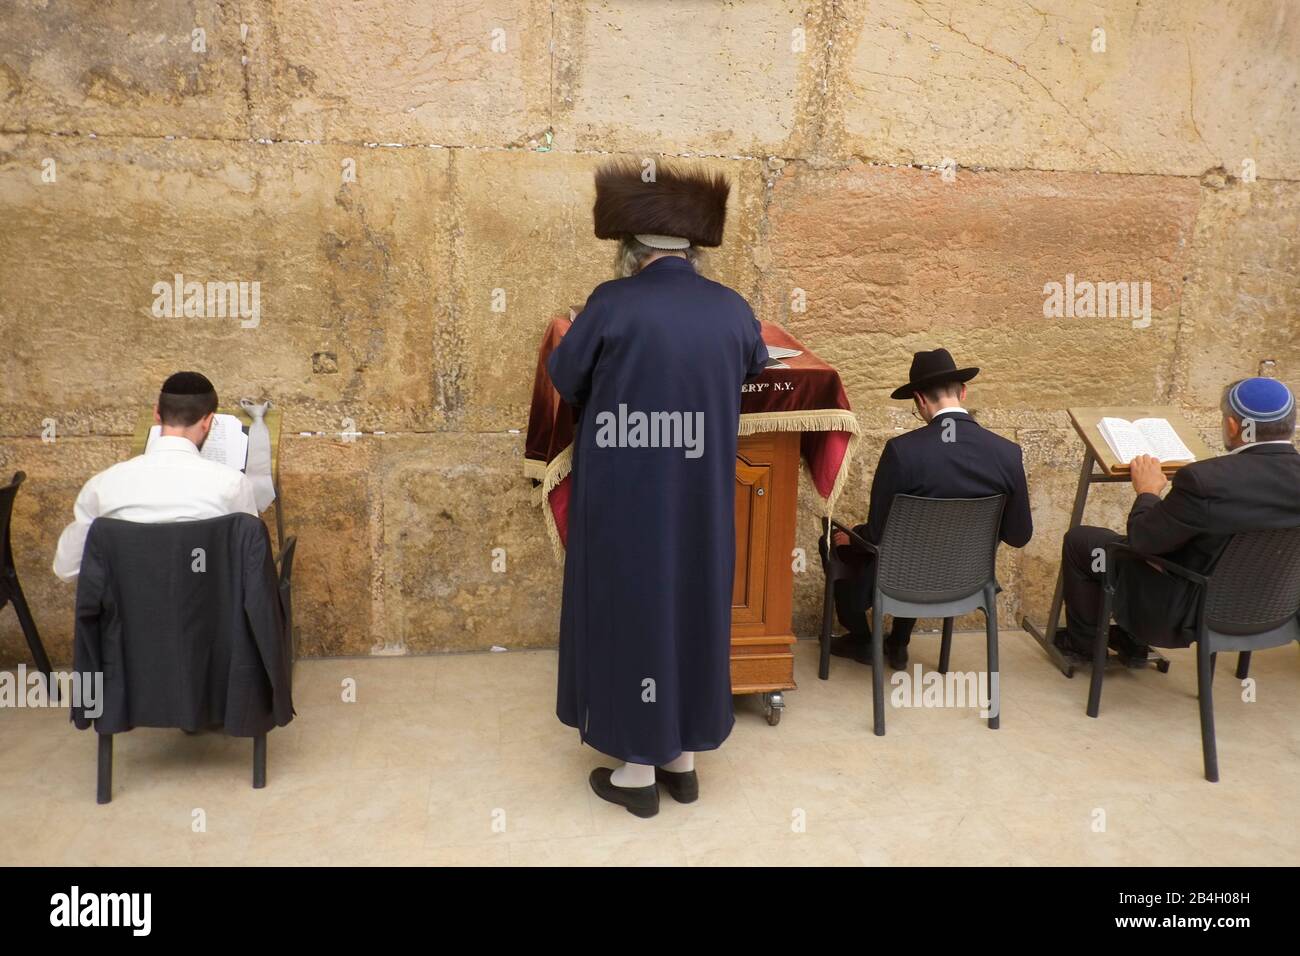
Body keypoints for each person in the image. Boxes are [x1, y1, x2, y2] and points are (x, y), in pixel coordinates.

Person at [547, 161, 768, 818]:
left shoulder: (612, 302)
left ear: (630, 251)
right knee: (692, 604)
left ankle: (638, 774)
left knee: (630, 610)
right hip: (702, 495)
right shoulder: (733, 308)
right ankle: (684, 760)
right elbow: (752, 365)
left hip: (625, 493)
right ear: (692, 251)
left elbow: (566, 376)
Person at [1060, 377, 1300, 658]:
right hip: (1275, 608)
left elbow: (1143, 541)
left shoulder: (1206, 480)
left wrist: (1147, 492)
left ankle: (1088, 646)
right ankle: (1128, 641)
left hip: (1186, 611)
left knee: (1083, 542)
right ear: (1291, 426)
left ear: (1234, 426)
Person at [823, 348, 1032, 668]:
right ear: (963, 392)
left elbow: (877, 535)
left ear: (919, 400)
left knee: (836, 543)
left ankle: (864, 639)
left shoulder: (902, 452)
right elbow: (1019, 535)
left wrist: (852, 537)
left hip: (898, 580)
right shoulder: (1007, 453)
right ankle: (898, 641)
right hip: (968, 582)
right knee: (923, 552)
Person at [53, 371, 259, 582]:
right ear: (208, 421)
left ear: (157, 414)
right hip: (205, 613)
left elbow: (66, 569)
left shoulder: (101, 487)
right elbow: (249, 567)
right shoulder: (232, 484)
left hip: (126, 615)